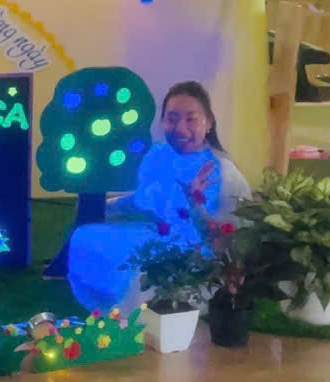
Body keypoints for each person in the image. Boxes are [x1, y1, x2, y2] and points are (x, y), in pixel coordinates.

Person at [67, 81, 253, 312]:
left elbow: (230, 237)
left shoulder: (222, 172)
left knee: (139, 269)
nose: (180, 129)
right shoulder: (162, 157)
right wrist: (103, 207)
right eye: (172, 119)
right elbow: (144, 199)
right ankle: (105, 306)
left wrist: (195, 204)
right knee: (87, 236)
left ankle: (141, 315)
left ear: (209, 122)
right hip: (164, 236)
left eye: (191, 119)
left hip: (202, 254)